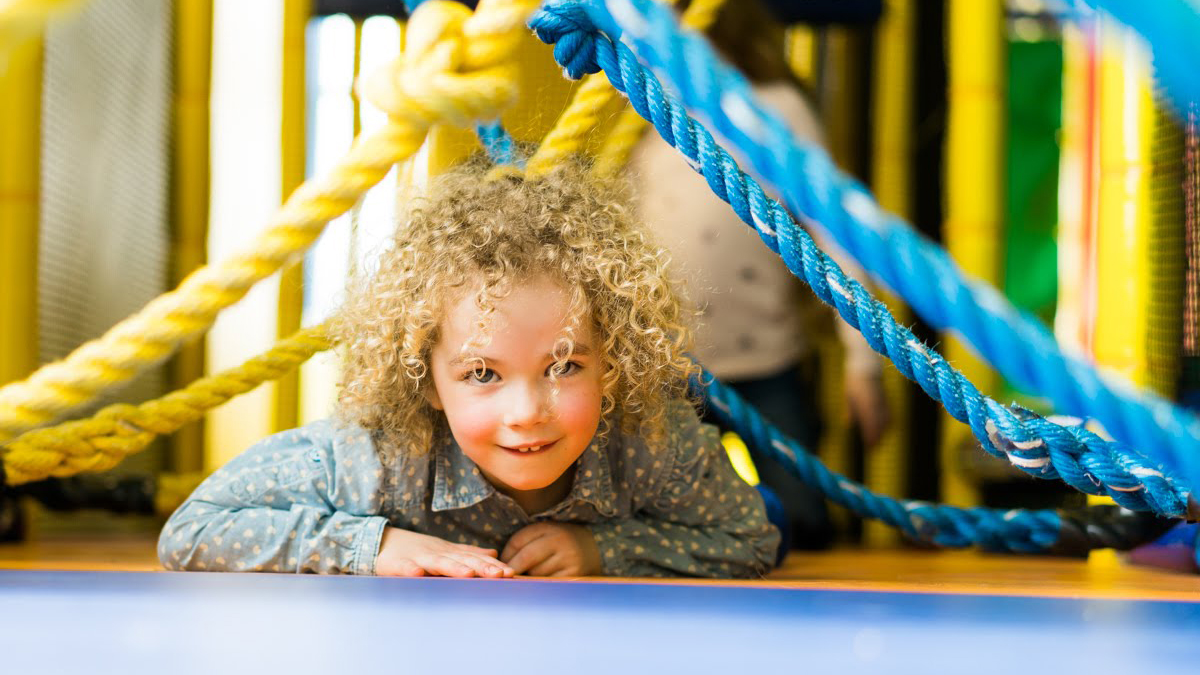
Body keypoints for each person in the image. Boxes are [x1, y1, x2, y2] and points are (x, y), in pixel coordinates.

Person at [157, 160, 780, 578]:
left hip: (678, 508)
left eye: (563, 366)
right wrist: (371, 547)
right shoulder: (376, 459)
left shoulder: (652, 447)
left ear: (612, 365)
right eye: (483, 374)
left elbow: (751, 540)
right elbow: (193, 529)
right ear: (426, 379)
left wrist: (605, 549)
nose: (527, 412)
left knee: (786, 515)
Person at [628, 0, 888, 549]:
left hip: (766, 359)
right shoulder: (642, 107)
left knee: (805, 521)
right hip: (669, 365)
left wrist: (863, 364)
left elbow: (833, 233)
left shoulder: (774, 108)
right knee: (656, 518)